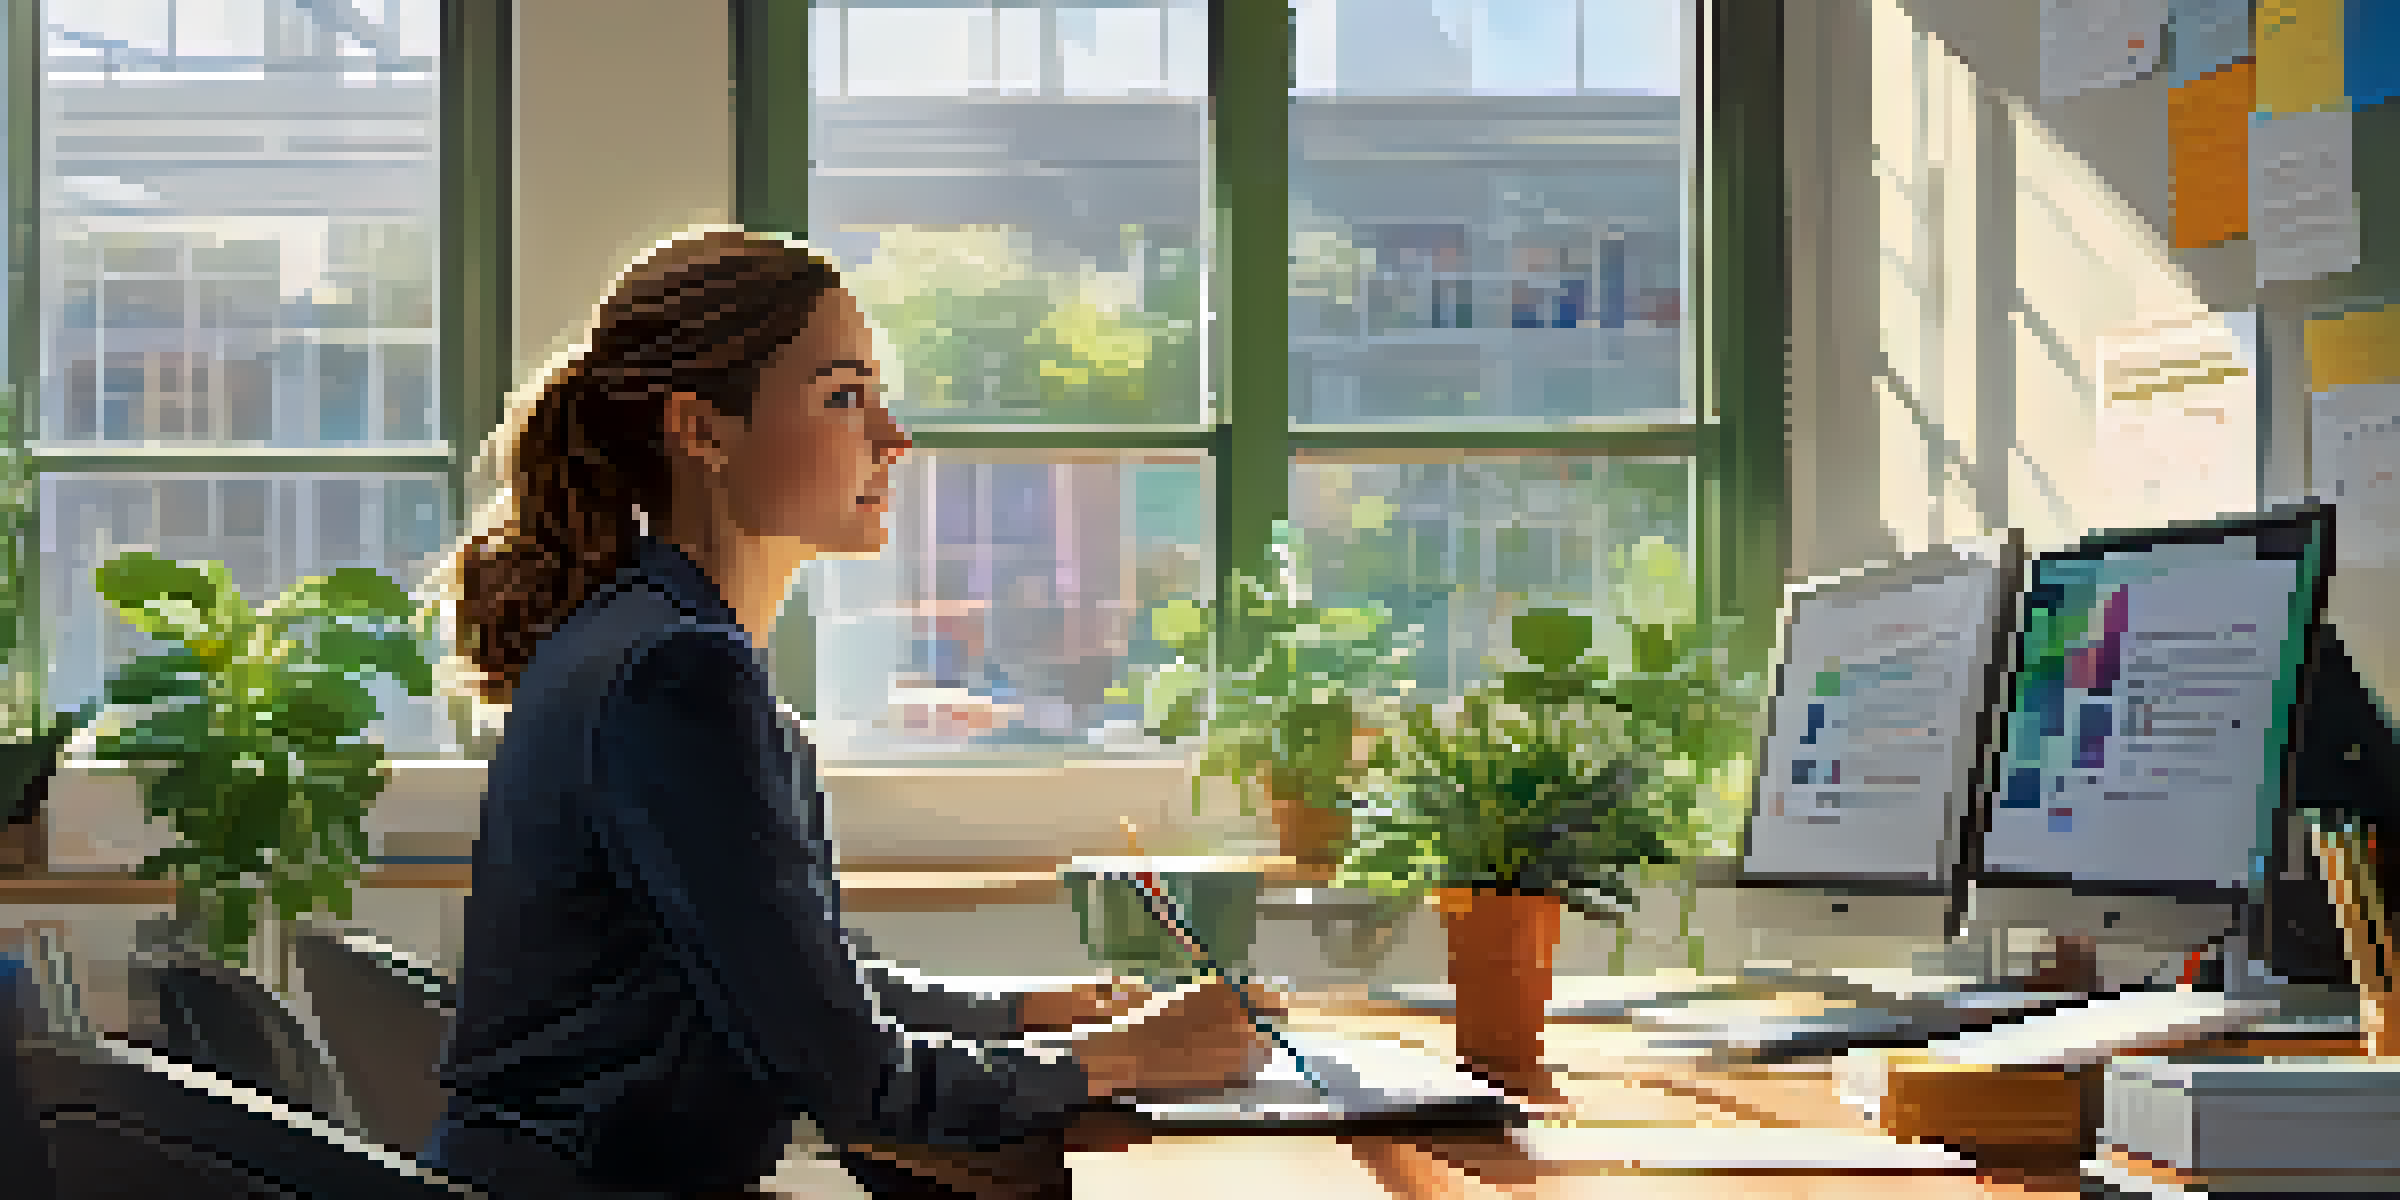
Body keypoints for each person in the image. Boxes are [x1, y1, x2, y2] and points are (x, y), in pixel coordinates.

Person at [419, 228, 1278, 1199]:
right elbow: (850, 1079)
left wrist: (1042, 1011)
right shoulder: (676, 673)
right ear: (701, 430)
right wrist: (1120, 1060)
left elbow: (804, 987)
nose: (891, 438)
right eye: (842, 398)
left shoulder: (653, 637)